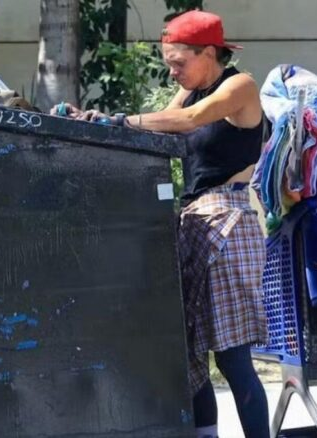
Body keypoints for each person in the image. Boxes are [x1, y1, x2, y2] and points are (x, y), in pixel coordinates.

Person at [51, 10, 269, 438]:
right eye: (168, 63)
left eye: (178, 62)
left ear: (209, 53)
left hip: (227, 223)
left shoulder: (239, 86)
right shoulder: (186, 93)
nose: (172, 72)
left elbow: (188, 122)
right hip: (192, 221)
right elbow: (159, 131)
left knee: (232, 359)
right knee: (187, 356)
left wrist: (119, 120)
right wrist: (90, 120)